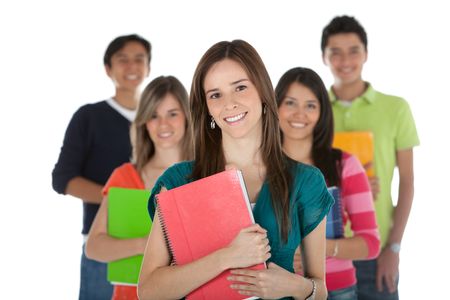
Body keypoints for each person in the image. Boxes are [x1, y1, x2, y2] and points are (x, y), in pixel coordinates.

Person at [138, 39, 334, 300]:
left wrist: (294, 287)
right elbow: (149, 290)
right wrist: (227, 257)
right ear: (207, 108)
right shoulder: (178, 181)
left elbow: (319, 289)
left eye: (240, 88)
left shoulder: (305, 181)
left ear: (263, 93)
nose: (229, 103)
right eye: (215, 95)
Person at [321, 16, 420, 299]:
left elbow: (408, 182)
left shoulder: (396, 109)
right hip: (327, 247)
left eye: (353, 50)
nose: (345, 60)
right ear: (324, 57)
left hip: (375, 248)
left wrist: (394, 248)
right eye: (335, 52)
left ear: (366, 53)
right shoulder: (314, 112)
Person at [52, 34, 151, 299]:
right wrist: (121, 201)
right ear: (108, 68)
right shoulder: (89, 117)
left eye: (139, 60)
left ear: (149, 68)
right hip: (105, 246)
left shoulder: (161, 121)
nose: (132, 66)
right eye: (123, 60)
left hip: (157, 246)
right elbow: (63, 178)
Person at [275, 67, 381, 299]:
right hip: (275, 290)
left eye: (310, 105)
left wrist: (321, 248)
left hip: (337, 290)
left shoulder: (345, 166)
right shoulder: (259, 165)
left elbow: (370, 243)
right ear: (275, 107)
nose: (299, 114)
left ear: (322, 113)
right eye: (290, 103)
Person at [85, 75, 193, 299]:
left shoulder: (205, 174)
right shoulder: (125, 176)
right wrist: (149, 246)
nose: (163, 124)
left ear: (187, 117)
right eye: (154, 116)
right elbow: (93, 246)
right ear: (144, 122)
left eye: (172, 114)